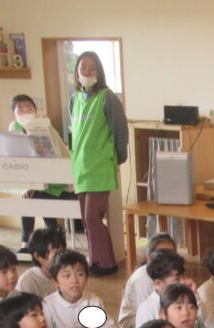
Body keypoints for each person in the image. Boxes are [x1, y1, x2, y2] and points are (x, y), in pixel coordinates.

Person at [68, 51, 128, 276]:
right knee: (86, 220)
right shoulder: (74, 99)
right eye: (83, 68)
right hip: (81, 167)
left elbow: (120, 131)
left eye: (92, 68)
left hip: (100, 167)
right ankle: (95, 260)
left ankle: (105, 263)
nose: (87, 72)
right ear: (76, 71)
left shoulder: (107, 98)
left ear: (99, 72)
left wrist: (118, 157)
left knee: (92, 217)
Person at [7, 94, 79, 252]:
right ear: (14, 113)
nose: (25, 112)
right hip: (37, 185)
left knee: (35, 198)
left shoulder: (44, 128)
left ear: (36, 111)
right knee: (29, 197)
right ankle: (31, 241)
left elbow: (54, 160)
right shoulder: (14, 129)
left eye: (29, 108)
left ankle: (49, 240)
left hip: (60, 185)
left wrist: (34, 186)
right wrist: (31, 186)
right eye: (21, 109)